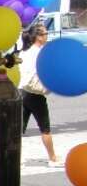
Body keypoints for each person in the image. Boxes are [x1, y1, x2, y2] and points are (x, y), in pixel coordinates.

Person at [19, 23, 61, 167]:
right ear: (37, 37)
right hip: (35, 95)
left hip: (21, 92)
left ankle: (15, 158)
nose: (46, 36)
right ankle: (53, 158)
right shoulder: (40, 53)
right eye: (44, 34)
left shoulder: (24, 52)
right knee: (45, 128)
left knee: (18, 130)